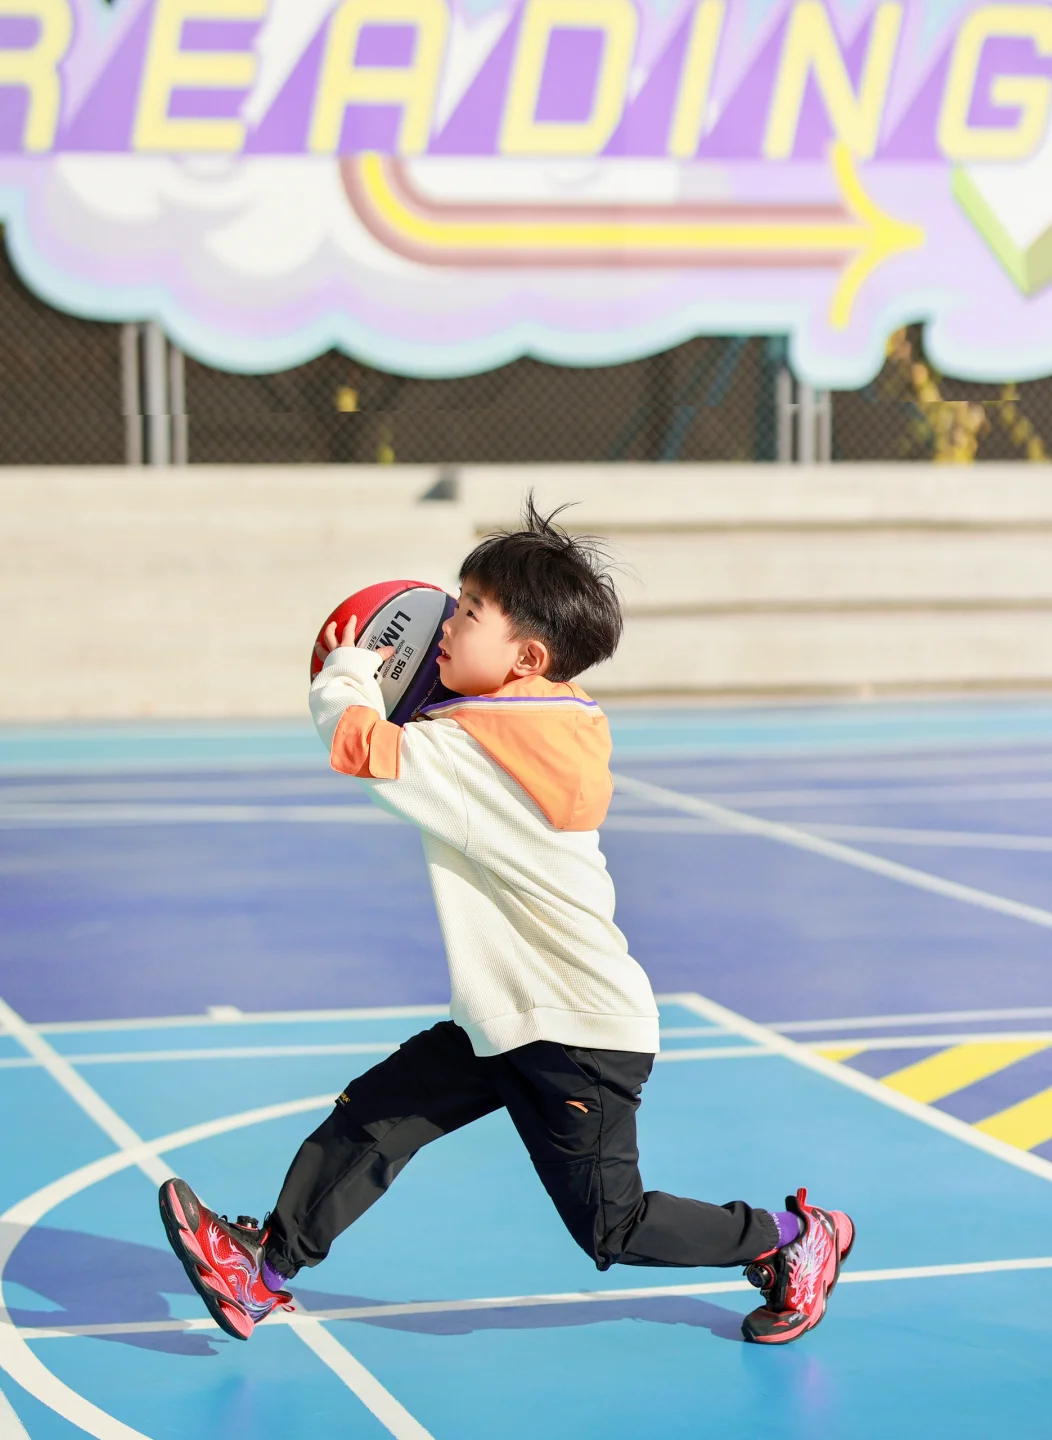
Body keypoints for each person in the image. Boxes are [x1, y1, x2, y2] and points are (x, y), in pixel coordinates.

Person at [159, 498, 853, 1347]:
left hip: (575, 1032)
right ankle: (263, 1269)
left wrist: (348, 666)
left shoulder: (477, 755)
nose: (447, 624)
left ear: (526, 656)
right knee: (378, 1116)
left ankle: (794, 1239)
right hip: (508, 1015)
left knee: (613, 1227)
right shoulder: (534, 725)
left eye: (471, 611)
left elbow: (357, 745)